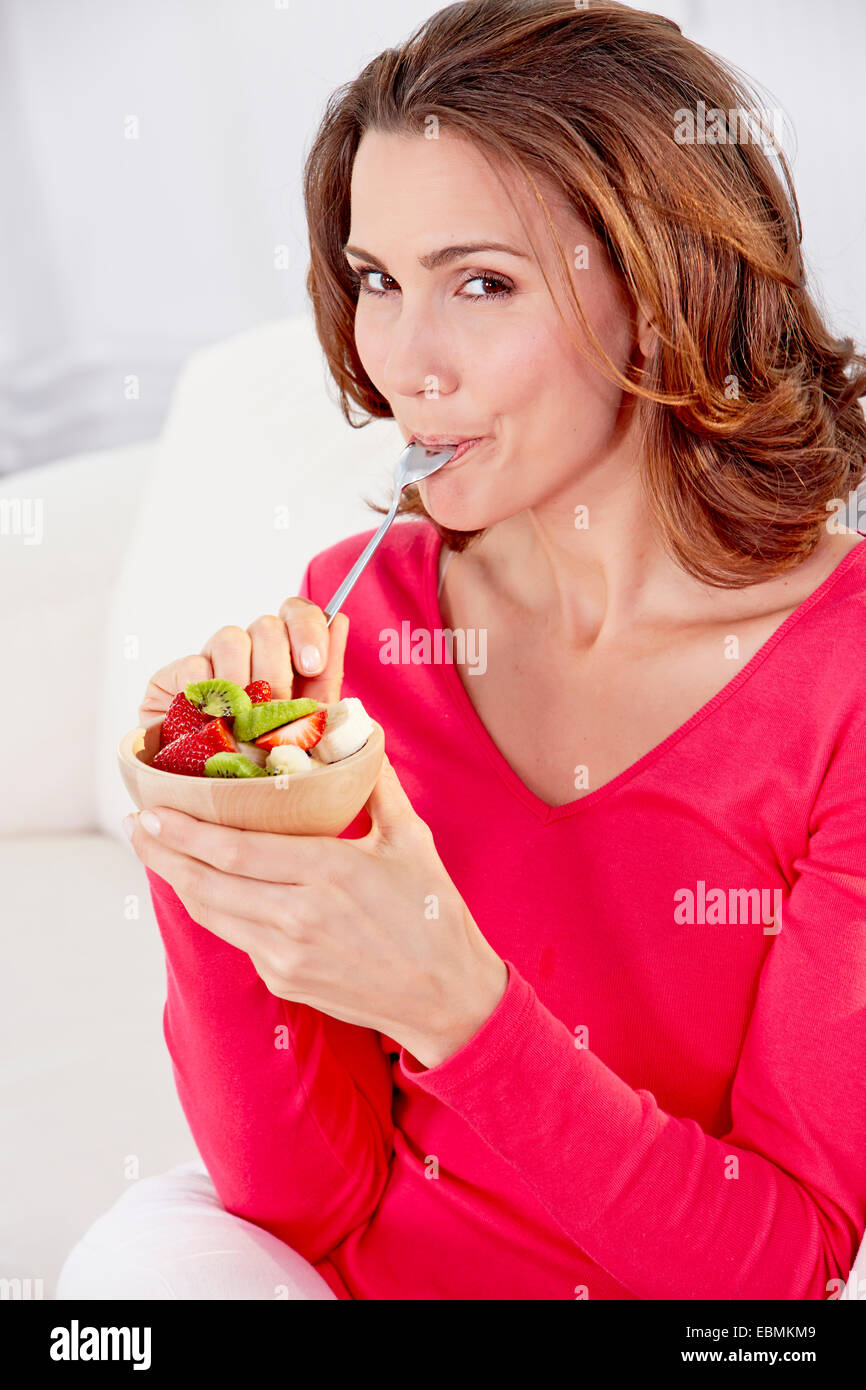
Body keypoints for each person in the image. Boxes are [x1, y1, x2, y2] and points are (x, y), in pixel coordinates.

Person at [57, 0, 866, 1301]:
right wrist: (218, 823)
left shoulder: (841, 677)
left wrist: (454, 1001)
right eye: (377, 278)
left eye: (479, 281)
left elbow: (774, 1278)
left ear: (661, 296)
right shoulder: (363, 618)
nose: (401, 363)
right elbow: (308, 1206)